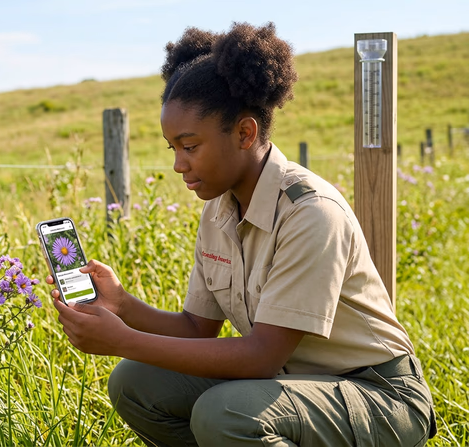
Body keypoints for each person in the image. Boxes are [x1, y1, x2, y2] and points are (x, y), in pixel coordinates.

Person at [48, 22, 437, 446]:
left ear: (245, 133)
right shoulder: (219, 208)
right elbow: (198, 329)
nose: (179, 165)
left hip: (379, 396)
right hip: (292, 384)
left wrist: (124, 340)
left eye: (190, 146)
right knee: (136, 382)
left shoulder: (310, 213)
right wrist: (122, 305)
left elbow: (260, 356)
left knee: (226, 412)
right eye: (172, 148)